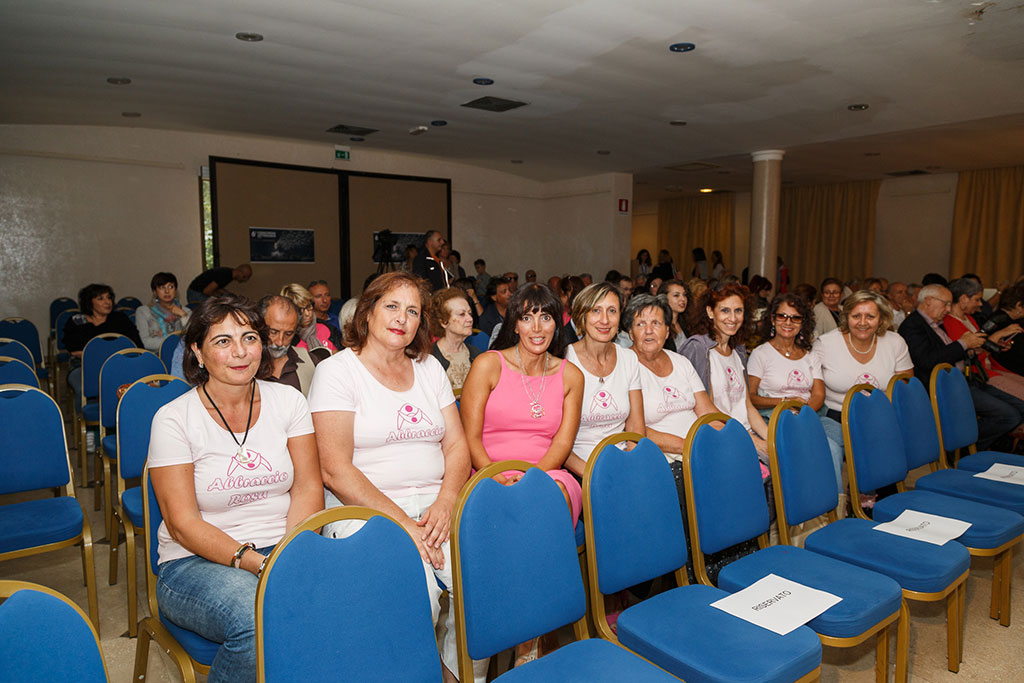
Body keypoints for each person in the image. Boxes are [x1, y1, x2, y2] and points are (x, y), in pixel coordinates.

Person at [308, 272, 483, 682]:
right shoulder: (337, 372)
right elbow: (334, 469)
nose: (402, 318)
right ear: (367, 312)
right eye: (391, 306)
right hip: (366, 511)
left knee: (483, 587)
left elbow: (457, 447)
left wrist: (446, 501)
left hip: (437, 507)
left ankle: (461, 675)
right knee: (415, 592)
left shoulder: (429, 368)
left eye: (413, 311)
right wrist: (403, 523)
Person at [148, 293, 323, 683]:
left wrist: (290, 554)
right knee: (256, 616)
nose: (240, 352)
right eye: (223, 341)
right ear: (197, 351)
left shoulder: (289, 401)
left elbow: (308, 487)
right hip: (194, 562)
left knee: (353, 598)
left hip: (283, 546)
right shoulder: (174, 419)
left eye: (249, 338)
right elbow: (181, 524)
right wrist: (257, 563)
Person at [460, 283, 584, 523]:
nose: (537, 328)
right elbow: (470, 438)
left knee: (553, 494)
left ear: (556, 324)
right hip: (488, 471)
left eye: (546, 317)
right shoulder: (488, 366)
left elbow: (562, 443)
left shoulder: (571, 376)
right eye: (527, 318)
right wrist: (500, 479)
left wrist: (531, 479)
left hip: (545, 472)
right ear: (515, 325)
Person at [900, 283, 1023, 450]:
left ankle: (971, 445)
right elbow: (928, 361)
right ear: (928, 301)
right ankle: (963, 447)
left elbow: (951, 353)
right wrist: (963, 343)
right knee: (1008, 416)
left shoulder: (937, 323)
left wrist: (971, 348)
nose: (948, 309)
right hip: (943, 387)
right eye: (946, 304)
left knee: (1019, 408)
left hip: (966, 379)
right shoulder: (912, 326)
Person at [747, 294, 842, 491]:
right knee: (830, 448)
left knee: (845, 437)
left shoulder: (810, 355)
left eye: (795, 317)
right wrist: (784, 402)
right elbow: (751, 397)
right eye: (782, 316)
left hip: (809, 414)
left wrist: (802, 413)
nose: (788, 322)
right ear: (773, 319)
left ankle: (827, 495)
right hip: (774, 417)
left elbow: (818, 394)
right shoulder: (761, 354)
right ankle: (826, 502)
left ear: (803, 322)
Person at [680, 283, 771, 462]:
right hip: (719, 438)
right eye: (725, 311)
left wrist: (771, 439)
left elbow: (747, 406)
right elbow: (702, 411)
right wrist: (753, 442)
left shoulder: (738, 348)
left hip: (745, 434)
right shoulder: (698, 348)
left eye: (738, 311)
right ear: (710, 312)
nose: (733, 318)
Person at [562, 282, 644, 478]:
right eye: (596, 311)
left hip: (623, 463)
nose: (605, 320)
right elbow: (556, 440)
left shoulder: (629, 358)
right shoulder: (564, 360)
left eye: (612, 311)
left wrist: (631, 465)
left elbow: (636, 429)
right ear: (582, 315)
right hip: (580, 468)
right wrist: (594, 475)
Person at [944, 277, 1024, 401]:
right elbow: (969, 355)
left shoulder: (969, 318)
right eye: (977, 300)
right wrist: (997, 336)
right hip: (977, 375)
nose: (981, 304)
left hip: (986, 369)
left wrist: (996, 343)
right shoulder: (950, 323)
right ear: (963, 299)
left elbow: (981, 348)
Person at [64, 283, 144, 405]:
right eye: (100, 298)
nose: (107, 302)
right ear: (89, 302)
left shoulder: (120, 319)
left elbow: (136, 344)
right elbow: (74, 350)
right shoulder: (77, 321)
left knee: (132, 384)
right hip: (83, 366)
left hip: (118, 364)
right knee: (83, 389)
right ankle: (85, 415)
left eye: (109, 298)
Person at [258, 295, 319, 397]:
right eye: (273, 332)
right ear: (260, 326)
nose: (280, 342)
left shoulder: (310, 362)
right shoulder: (245, 363)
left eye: (288, 334)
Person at [429, 287, 483, 392]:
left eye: (470, 313)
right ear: (443, 322)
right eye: (462, 314)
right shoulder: (429, 358)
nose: (470, 319)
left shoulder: (477, 355)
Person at [135, 272, 191, 352]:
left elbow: (193, 337)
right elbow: (144, 341)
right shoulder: (143, 311)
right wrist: (172, 343)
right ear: (155, 291)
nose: (167, 291)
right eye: (162, 287)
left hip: (181, 354)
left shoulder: (186, 311)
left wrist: (183, 315)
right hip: (155, 355)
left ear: (175, 290)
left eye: (171, 287)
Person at [279, 283, 341, 353]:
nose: (307, 314)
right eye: (300, 310)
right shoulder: (286, 339)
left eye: (308, 307)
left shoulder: (327, 328)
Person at [186, 264, 252, 303]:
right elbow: (207, 291)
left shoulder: (229, 273)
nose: (244, 280)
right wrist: (219, 297)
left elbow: (217, 287)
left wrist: (229, 294)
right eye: (244, 277)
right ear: (239, 272)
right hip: (196, 293)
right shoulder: (225, 275)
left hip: (196, 291)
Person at [656, 279, 689, 351]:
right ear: (664, 298)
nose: (683, 299)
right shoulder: (658, 325)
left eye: (684, 295)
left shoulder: (686, 323)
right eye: (676, 295)